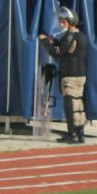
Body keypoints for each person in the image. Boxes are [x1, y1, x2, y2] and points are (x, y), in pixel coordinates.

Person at [38, 7, 88, 144]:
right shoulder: (82, 36)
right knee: (78, 103)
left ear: (70, 22)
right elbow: (69, 50)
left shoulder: (69, 36)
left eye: (63, 21)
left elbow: (58, 53)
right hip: (80, 74)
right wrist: (55, 41)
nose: (61, 24)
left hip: (70, 75)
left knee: (70, 104)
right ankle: (80, 133)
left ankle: (72, 134)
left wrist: (45, 42)